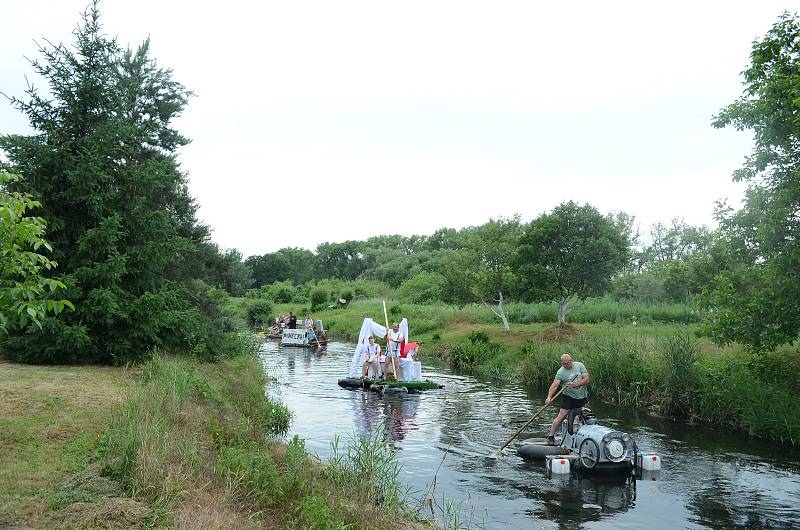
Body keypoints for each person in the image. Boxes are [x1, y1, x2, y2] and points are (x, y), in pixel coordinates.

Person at [544, 353, 590, 445]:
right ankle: (551, 436)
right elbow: (554, 385)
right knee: (562, 415)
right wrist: (549, 397)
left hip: (582, 396)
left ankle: (584, 436)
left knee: (586, 415)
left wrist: (576, 384)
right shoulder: (561, 372)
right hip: (568, 397)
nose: (564, 365)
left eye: (566, 363)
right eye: (562, 364)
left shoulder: (580, 366)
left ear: (570, 361)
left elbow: (587, 379)